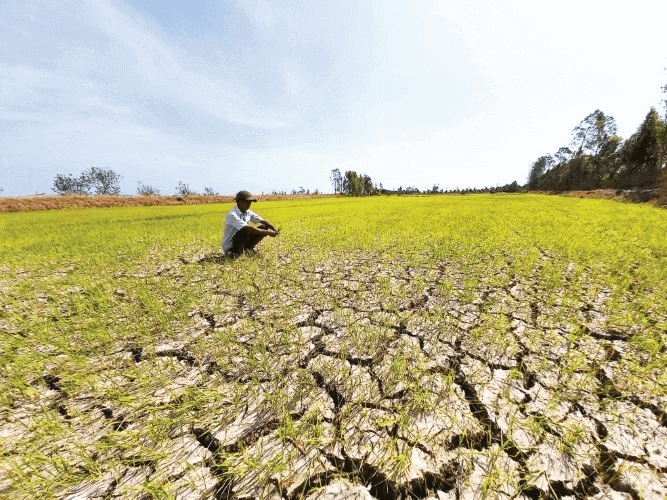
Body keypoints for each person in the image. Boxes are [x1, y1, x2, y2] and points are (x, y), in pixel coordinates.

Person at [222, 190, 279, 258]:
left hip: (242, 241)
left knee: (264, 227)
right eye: (246, 202)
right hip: (231, 246)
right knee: (245, 229)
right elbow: (246, 228)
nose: (249, 204)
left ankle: (249, 249)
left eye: (250, 202)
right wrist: (268, 232)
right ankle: (237, 254)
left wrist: (271, 228)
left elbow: (261, 220)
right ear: (239, 201)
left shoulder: (247, 212)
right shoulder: (232, 215)